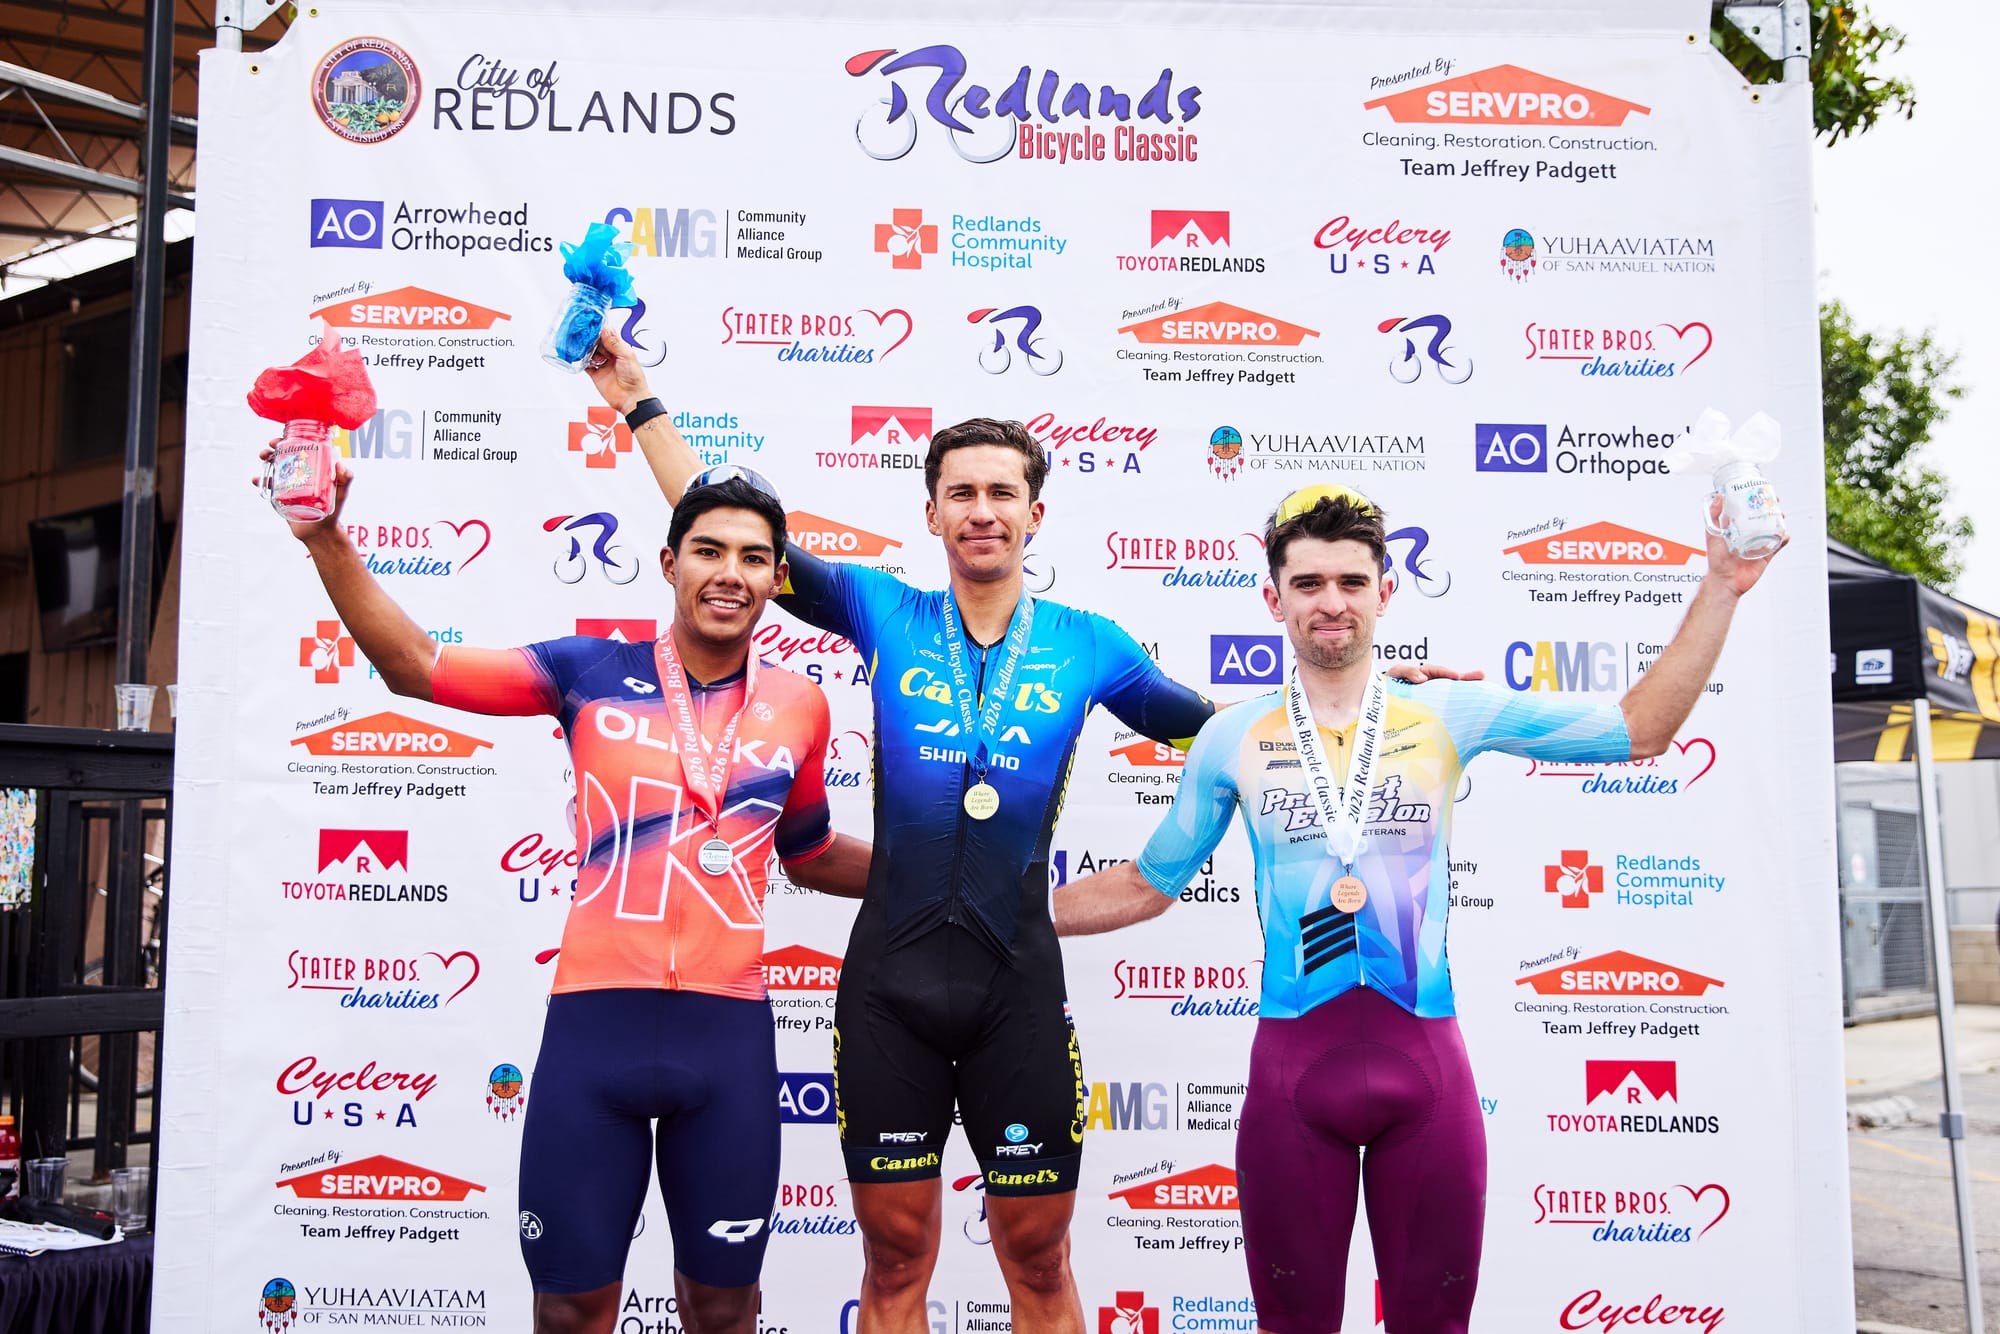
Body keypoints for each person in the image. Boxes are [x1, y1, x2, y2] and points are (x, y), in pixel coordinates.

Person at [581, 331, 1464, 1334]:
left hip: (1017, 992)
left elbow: (1219, 729)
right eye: (960, 492)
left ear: (1034, 513)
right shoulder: (879, 608)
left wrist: (1364, 699)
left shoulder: (1089, 644)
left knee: (1040, 1262)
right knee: (894, 1263)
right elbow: (726, 524)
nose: (982, 510)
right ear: (931, 513)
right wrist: (640, 401)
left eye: (1002, 492)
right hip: (888, 992)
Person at [1051, 484, 1784, 1334]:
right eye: (1309, 583)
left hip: (1427, 1070)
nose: (1332, 602)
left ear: (1386, 592)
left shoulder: (1447, 709)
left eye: (1352, 582)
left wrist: (1721, 585)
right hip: (1293, 1076)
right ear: (1274, 599)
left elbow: (1638, 729)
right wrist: (982, 908)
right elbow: (1146, 883)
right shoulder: (1231, 737)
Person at [262, 453, 869, 1334]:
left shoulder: (802, 704)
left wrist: (953, 876)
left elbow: (808, 852)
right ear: (670, 564)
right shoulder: (586, 671)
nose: (729, 574)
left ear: (778, 577)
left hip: (728, 1039)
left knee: (724, 1311)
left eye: (751, 557)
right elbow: (414, 665)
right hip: (594, 1035)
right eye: (708, 551)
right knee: (571, 1313)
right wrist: (325, 538)